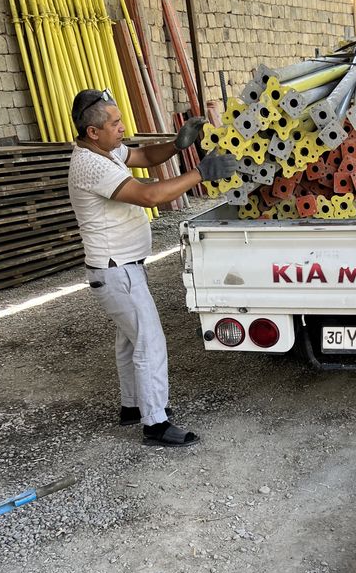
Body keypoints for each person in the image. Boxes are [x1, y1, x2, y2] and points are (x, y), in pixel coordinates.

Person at [68, 89, 236, 446]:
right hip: (115, 269)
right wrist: (200, 173)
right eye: (115, 123)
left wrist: (177, 144)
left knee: (131, 342)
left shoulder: (105, 149)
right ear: (93, 131)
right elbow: (149, 196)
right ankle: (155, 423)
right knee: (150, 341)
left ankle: (133, 407)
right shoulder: (90, 164)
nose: (122, 127)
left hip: (121, 268)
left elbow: (143, 155)